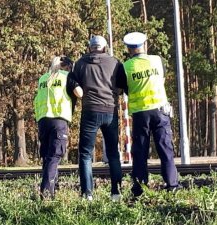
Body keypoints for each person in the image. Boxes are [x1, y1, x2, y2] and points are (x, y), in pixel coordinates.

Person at [116, 32, 181, 197]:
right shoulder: (157, 60)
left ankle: (139, 188)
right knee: (165, 148)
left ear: (129, 49)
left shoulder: (125, 67)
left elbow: (121, 90)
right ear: (145, 45)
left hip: (140, 114)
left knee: (140, 152)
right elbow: (162, 80)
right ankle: (172, 185)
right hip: (160, 110)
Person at [68, 35, 123, 201]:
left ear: (89, 47)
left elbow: (73, 85)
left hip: (90, 110)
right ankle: (116, 193)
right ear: (104, 47)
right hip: (110, 110)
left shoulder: (80, 63)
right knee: (113, 154)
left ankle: (87, 194)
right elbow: (121, 88)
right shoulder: (115, 63)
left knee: (85, 154)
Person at [34, 56, 83, 199]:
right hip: (59, 120)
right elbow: (80, 93)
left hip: (43, 120)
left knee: (47, 157)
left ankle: (51, 188)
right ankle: (47, 193)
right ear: (67, 66)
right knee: (54, 156)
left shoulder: (43, 78)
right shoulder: (66, 76)